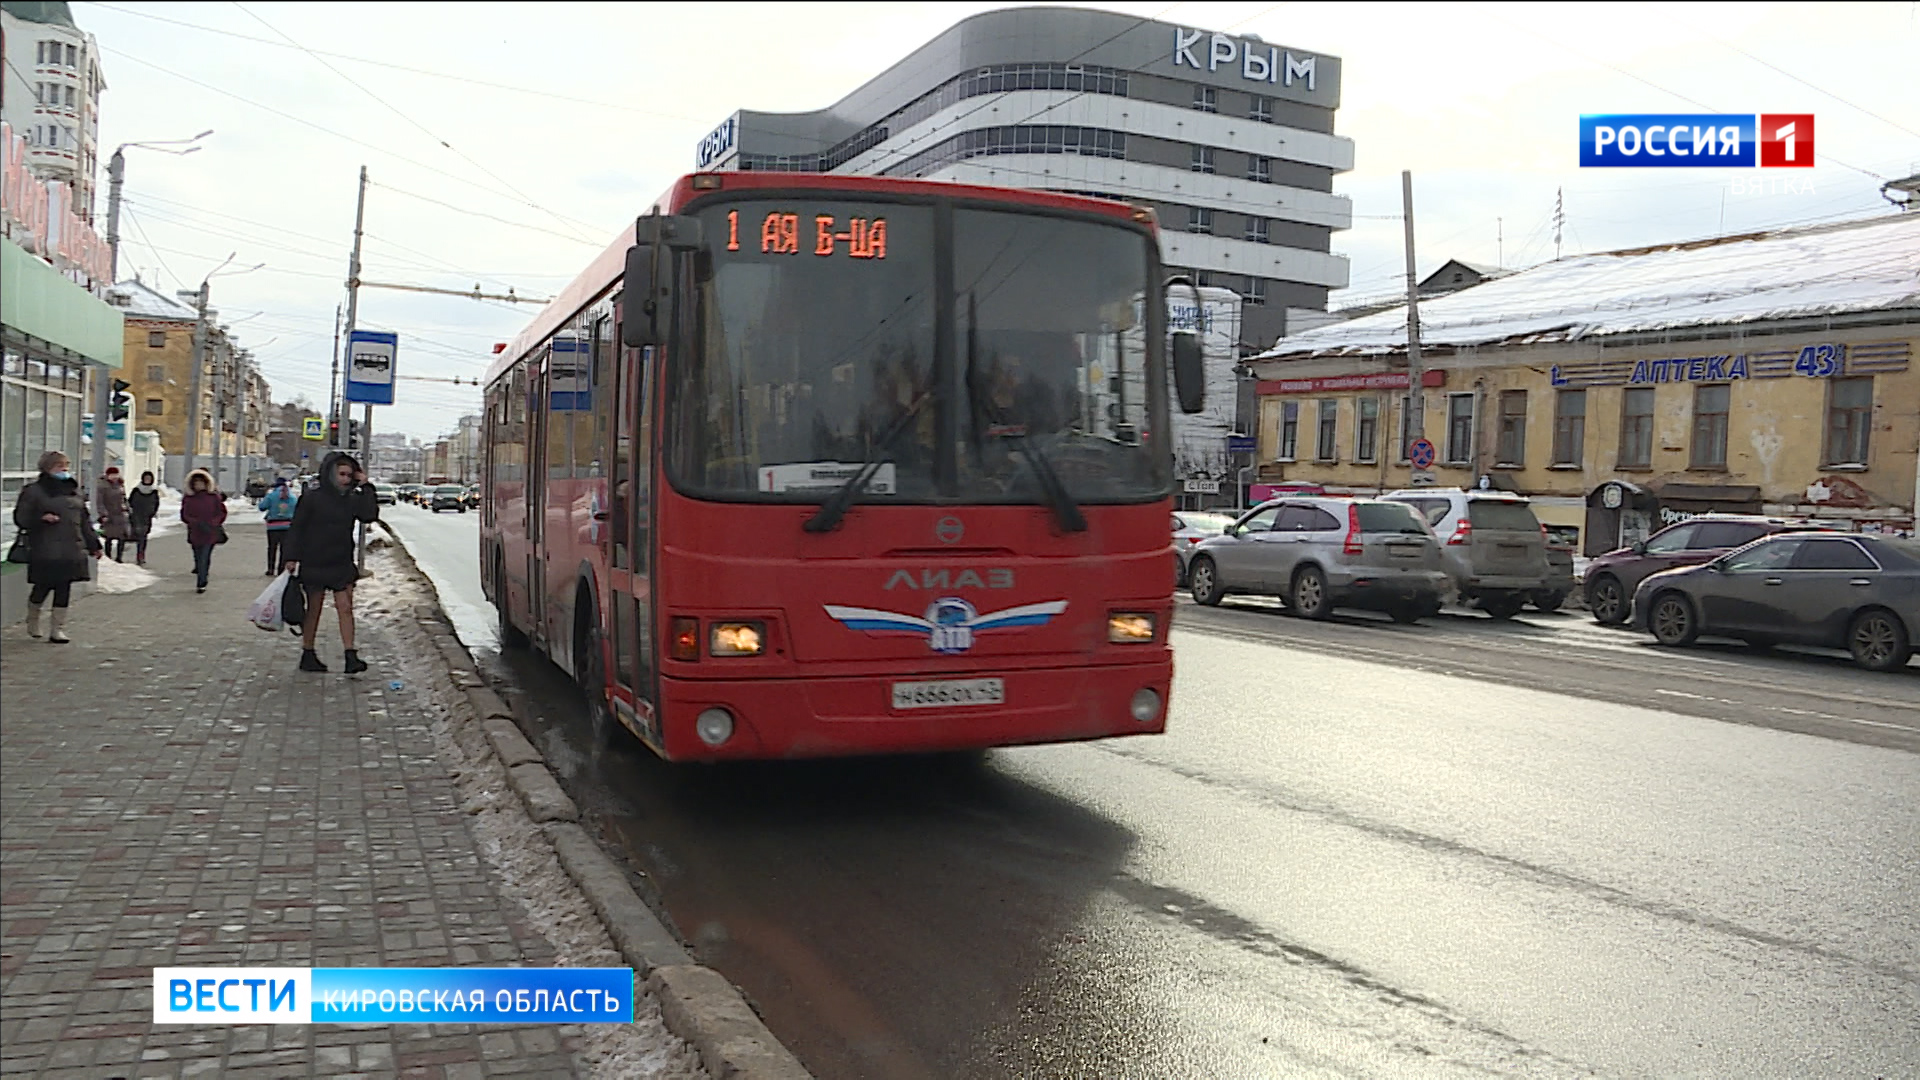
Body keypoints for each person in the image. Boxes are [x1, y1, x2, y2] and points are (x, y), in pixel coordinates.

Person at [284, 451, 378, 673]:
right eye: (341, 474)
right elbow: (297, 528)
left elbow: (369, 515)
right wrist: (290, 557)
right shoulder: (312, 498)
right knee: (314, 608)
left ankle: (350, 655)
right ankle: (308, 652)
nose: (345, 479)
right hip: (314, 559)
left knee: (345, 607)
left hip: (341, 560)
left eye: (349, 475)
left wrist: (366, 487)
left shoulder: (352, 499)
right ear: (330, 474)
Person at [11, 450, 102, 643]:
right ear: (48, 468)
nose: (65, 470)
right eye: (60, 466)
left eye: (66, 466)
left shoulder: (73, 490)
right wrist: (41, 518)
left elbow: (84, 520)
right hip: (45, 547)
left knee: (64, 587)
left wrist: (94, 544)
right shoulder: (34, 491)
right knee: (43, 585)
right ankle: (33, 618)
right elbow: (21, 518)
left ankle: (57, 629)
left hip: (72, 547)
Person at [179, 469, 226, 594]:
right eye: (196, 483)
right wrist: (194, 522)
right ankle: (201, 573)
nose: (199, 485)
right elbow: (184, 515)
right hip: (195, 532)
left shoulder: (213, 497)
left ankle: (202, 581)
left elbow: (221, 512)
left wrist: (214, 522)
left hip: (210, 532)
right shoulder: (189, 499)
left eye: (201, 483)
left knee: (205, 556)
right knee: (198, 556)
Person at [258, 476, 297, 575]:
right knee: (284, 549)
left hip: (273, 526)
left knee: (272, 548)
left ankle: (270, 569)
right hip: (287, 526)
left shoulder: (271, 496)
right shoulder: (293, 497)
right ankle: (281, 569)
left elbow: (262, 507)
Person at [93, 466, 132, 562]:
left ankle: (119, 557)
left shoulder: (120, 484)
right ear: (108, 475)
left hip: (120, 514)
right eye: (112, 475)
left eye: (116, 474)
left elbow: (124, 498)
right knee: (109, 536)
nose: (114, 477)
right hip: (109, 514)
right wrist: (103, 514)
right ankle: (108, 556)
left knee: (122, 536)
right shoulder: (103, 486)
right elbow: (100, 502)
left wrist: (127, 508)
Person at [127, 471, 160, 566]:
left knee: (143, 537)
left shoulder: (154, 491)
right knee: (138, 535)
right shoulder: (136, 490)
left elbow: (156, 503)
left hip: (147, 517)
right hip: (136, 516)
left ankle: (140, 555)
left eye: (149, 479)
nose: (147, 480)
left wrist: (152, 512)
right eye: (146, 478)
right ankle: (138, 554)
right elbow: (130, 502)